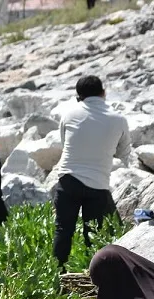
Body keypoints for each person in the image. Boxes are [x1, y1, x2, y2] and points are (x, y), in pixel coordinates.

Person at [51, 75, 131, 271]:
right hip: (98, 185)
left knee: (63, 231)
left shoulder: (69, 114)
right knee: (93, 234)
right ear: (104, 93)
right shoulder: (118, 119)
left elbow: (65, 144)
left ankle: (57, 277)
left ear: (79, 96)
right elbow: (124, 152)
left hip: (69, 180)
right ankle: (93, 277)